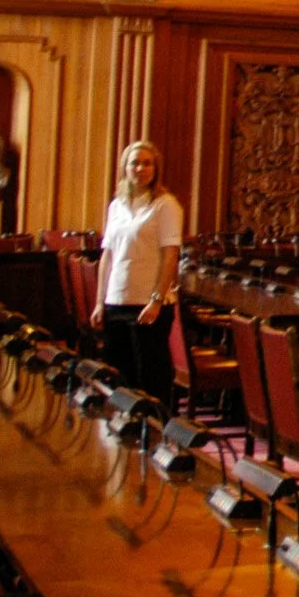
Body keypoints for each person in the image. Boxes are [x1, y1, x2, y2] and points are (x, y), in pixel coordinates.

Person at [94, 138, 181, 403]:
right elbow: (107, 257)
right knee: (119, 379)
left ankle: (156, 438)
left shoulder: (165, 205)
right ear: (125, 168)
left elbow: (170, 256)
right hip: (116, 301)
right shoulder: (116, 206)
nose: (141, 169)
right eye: (135, 163)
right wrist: (99, 302)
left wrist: (157, 298)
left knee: (151, 380)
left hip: (148, 305)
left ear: (155, 170)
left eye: (147, 164)